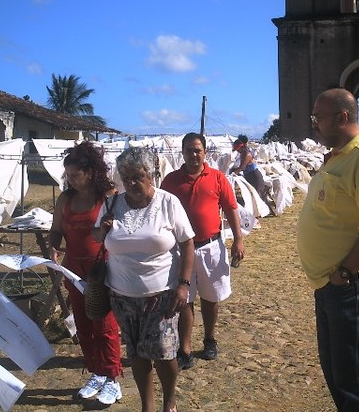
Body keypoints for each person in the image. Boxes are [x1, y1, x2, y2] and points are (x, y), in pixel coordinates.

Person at [297, 88, 359, 411]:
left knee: (354, 379)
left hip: (352, 284)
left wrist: (344, 272)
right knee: (338, 374)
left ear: (342, 117)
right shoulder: (340, 156)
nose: (314, 124)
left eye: (319, 117)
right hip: (331, 285)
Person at [94, 147, 195, 412]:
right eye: (126, 177)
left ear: (151, 175)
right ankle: (147, 406)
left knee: (163, 353)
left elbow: (187, 243)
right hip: (121, 295)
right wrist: (101, 230)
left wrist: (184, 284)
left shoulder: (168, 202)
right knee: (137, 353)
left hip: (161, 294)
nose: (131, 183)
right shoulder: (111, 204)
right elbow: (97, 239)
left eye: (137, 176)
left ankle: (169, 400)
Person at [49, 140, 123, 406]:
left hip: (101, 269)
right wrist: (54, 247)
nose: (70, 180)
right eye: (67, 175)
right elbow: (56, 229)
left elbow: (121, 229)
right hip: (73, 270)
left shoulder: (108, 196)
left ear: (90, 172)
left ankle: (113, 378)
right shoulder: (65, 198)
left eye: (75, 175)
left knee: (104, 325)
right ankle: (97, 373)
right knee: (82, 324)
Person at [161, 133, 244, 369]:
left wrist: (238, 239)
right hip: (180, 251)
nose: (193, 154)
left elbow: (230, 209)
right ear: (183, 152)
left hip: (211, 247)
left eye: (197, 150)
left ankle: (209, 339)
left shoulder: (217, 178)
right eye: (189, 150)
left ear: (205, 152)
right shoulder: (171, 181)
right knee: (184, 298)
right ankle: (184, 349)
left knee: (211, 297)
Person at [230, 134, 268, 201]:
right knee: (252, 197)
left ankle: (267, 211)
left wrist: (231, 174)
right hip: (249, 176)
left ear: (241, 147)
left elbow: (242, 167)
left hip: (255, 177)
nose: (237, 151)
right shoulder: (242, 154)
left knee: (259, 197)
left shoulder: (247, 154)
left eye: (238, 149)